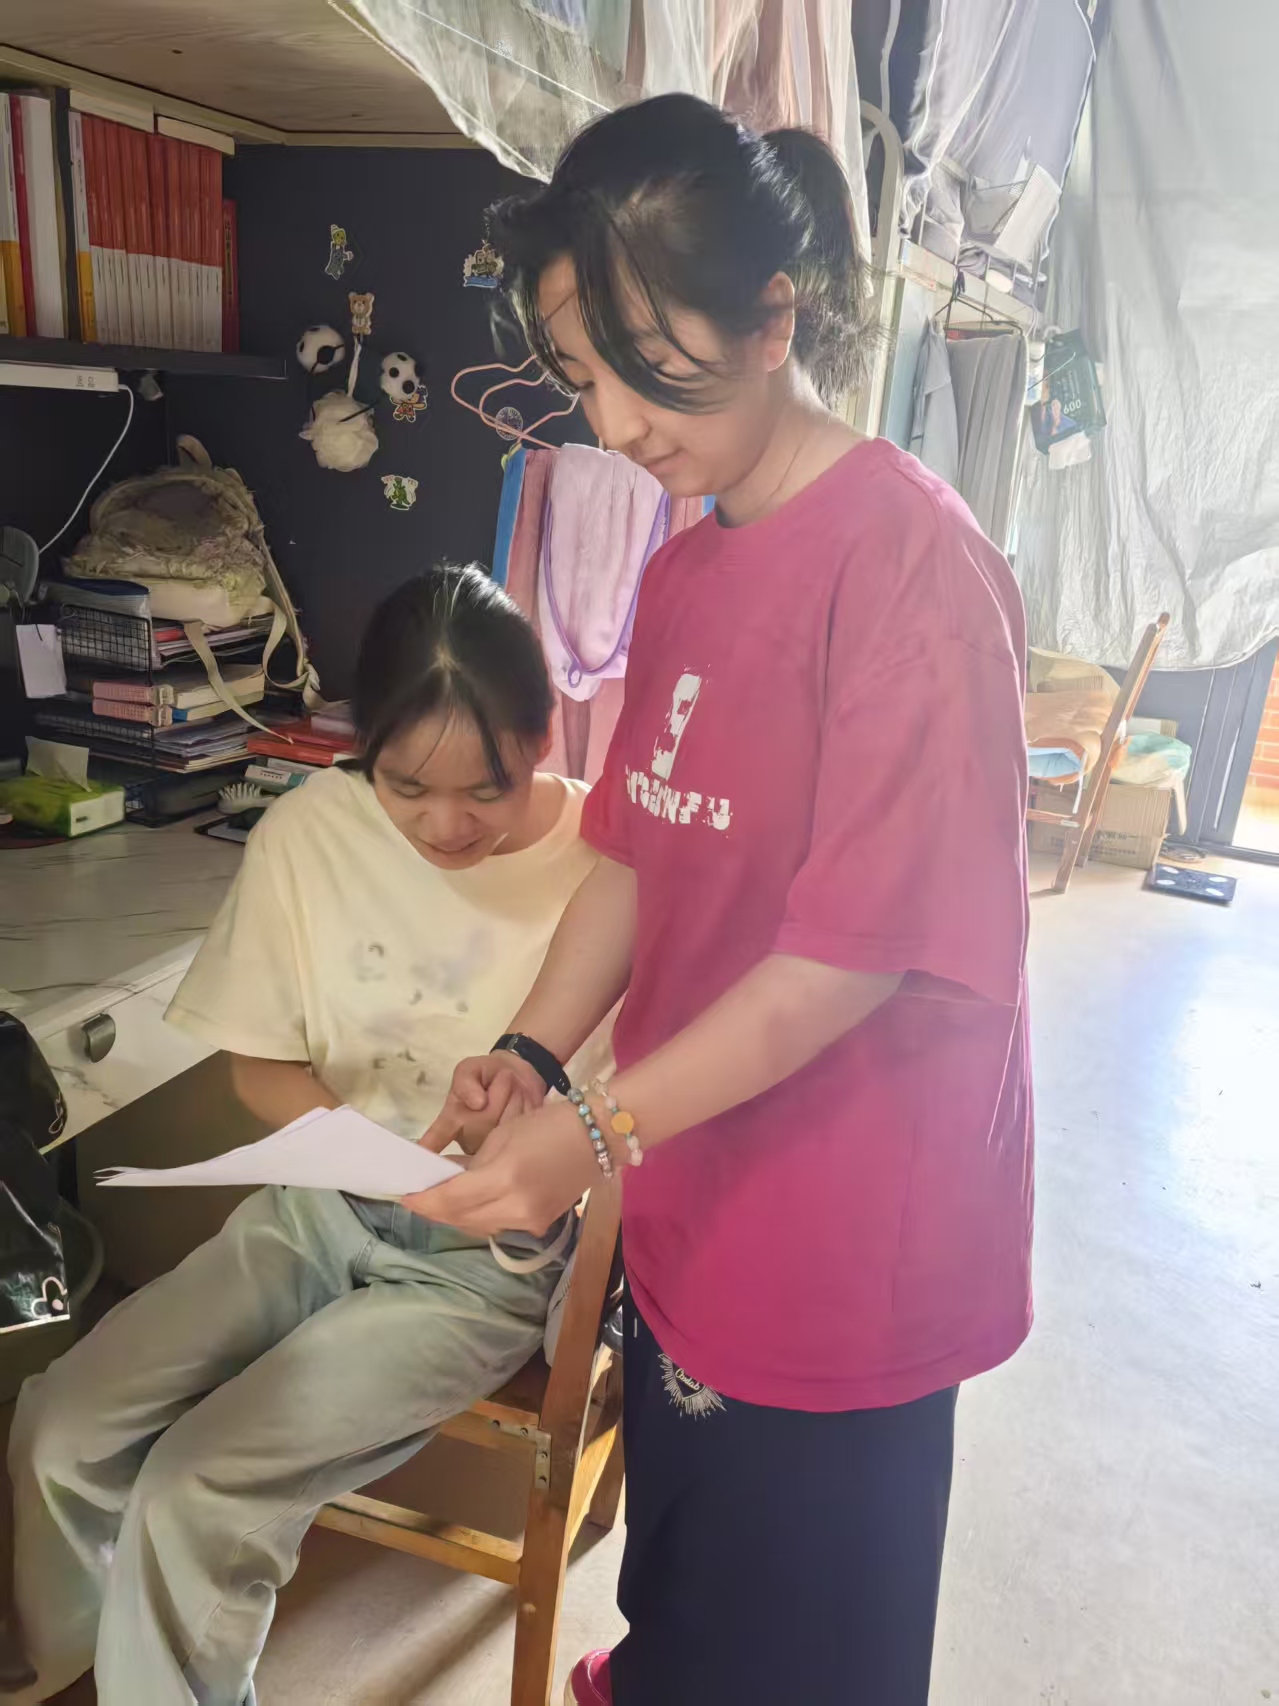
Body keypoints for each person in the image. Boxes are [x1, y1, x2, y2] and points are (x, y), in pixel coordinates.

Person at [410, 95, 1034, 1706]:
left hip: (846, 1243)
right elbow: (635, 856)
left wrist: (591, 1130)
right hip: (697, 1193)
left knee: (803, 1653)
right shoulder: (685, 568)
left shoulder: (906, 566)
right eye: (581, 373)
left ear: (774, 317)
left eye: (647, 365)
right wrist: (532, 1057)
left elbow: (839, 966)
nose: (614, 422)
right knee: (687, 1597)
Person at [5, 565, 608, 1705]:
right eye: (404, 786)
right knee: (63, 1425)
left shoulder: (605, 864)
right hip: (318, 1211)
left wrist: (514, 1151)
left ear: (541, 738)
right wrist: (378, 1162)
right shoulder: (309, 831)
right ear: (360, 750)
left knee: (200, 1488)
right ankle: (75, 1664)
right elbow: (259, 1064)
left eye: (484, 789)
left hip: (482, 1267)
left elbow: (625, 1120)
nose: (445, 826)